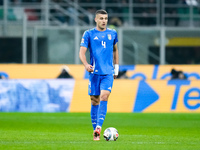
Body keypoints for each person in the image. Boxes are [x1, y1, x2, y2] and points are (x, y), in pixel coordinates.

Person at [79, 9, 119, 141]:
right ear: (96, 19)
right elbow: (82, 52)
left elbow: (115, 50)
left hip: (108, 72)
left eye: (106, 19)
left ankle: (99, 128)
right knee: (94, 100)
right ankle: (95, 131)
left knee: (104, 96)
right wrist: (85, 65)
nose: (104, 21)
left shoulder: (112, 33)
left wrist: (116, 68)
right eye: (101, 18)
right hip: (94, 73)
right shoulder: (89, 34)